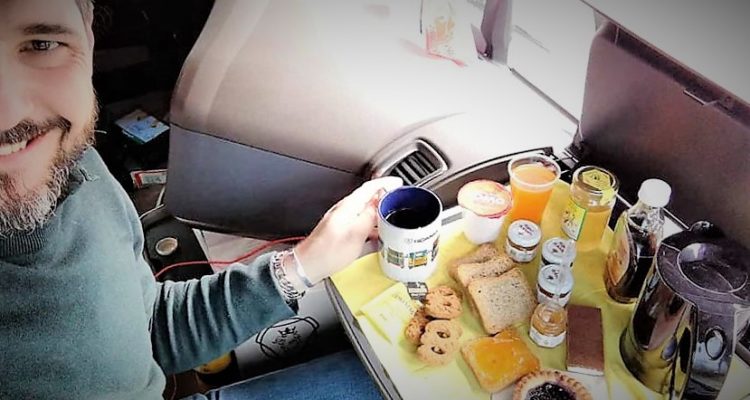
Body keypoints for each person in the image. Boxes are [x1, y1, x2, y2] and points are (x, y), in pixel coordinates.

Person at [0, 1, 398, 398]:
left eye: (40, 44)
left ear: (87, 33)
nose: (8, 115)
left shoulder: (66, 154)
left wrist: (305, 263)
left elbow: (149, 329)